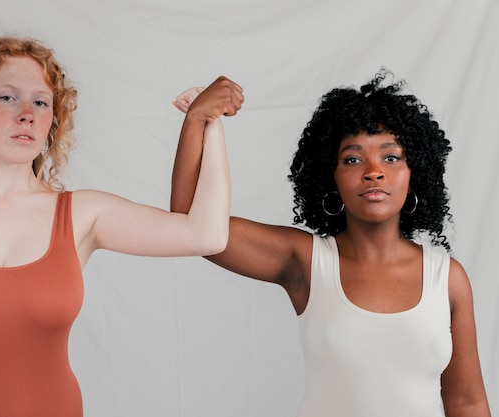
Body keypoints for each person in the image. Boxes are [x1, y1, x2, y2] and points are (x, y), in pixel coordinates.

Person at [0, 35, 244, 417]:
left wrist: (207, 121)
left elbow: (206, 234)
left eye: (41, 102)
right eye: (7, 97)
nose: (27, 113)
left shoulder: (82, 215)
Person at [171, 70, 490, 417]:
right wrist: (198, 119)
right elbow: (191, 221)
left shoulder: (447, 278)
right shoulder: (305, 262)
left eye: (391, 157)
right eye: (352, 159)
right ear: (330, 177)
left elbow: (467, 402)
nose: (373, 171)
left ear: (416, 173)